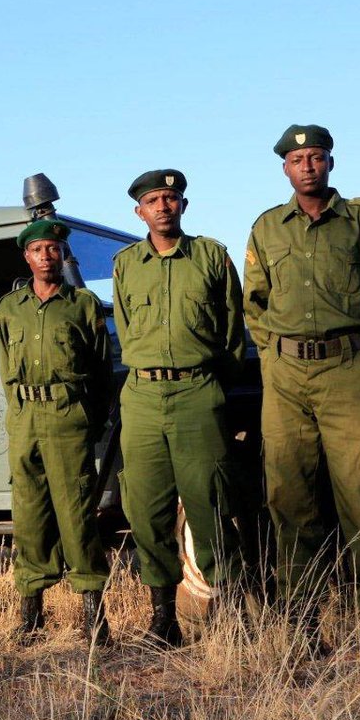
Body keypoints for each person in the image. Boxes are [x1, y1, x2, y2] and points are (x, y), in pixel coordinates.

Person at [242, 124, 360, 665]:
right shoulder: (267, 228)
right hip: (286, 377)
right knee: (290, 498)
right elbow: (254, 304)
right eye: (298, 160)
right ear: (286, 170)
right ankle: (300, 626)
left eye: (316, 157)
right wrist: (275, 354)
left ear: (330, 164)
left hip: (348, 371)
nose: (308, 167)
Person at [112, 169, 249, 646]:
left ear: (183, 206)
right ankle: (162, 620)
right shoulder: (126, 263)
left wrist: (207, 382)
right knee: (146, 509)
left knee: (210, 503)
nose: (163, 206)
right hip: (143, 396)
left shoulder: (211, 256)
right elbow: (127, 330)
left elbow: (234, 332)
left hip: (197, 393)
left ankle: (229, 617)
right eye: (153, 200)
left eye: (171, 198)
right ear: (140, 212)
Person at [0, 219, 113, 645]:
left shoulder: (83, 304)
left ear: (63, 254)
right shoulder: (10, 307)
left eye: (53, 248)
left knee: (76, 513)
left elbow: (101, 370)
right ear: (26, 256)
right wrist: (18, 415)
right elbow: (6, 364)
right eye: (38, 249)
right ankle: (31, 615)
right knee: (29, 516)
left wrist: (89, 420)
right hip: (24, 416)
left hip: (67, 415)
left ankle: (94, 617)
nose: (46, 256)